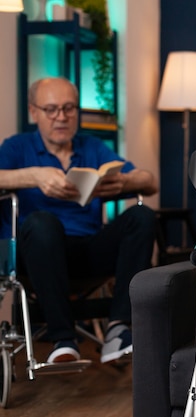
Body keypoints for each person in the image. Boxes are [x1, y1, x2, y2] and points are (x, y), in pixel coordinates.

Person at [0, 77, 158, 364]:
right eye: (51, 109)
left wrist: (124, 181)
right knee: (41, 223)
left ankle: (118, 329)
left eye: (69, 108)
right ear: (34, 112)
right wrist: (33, 175)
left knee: (143, 216)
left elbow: (149, 181)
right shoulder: (17, 147)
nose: (61, 117)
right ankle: (63, 338)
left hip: (86, 250)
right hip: (37, 254)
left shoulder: (92, 147)